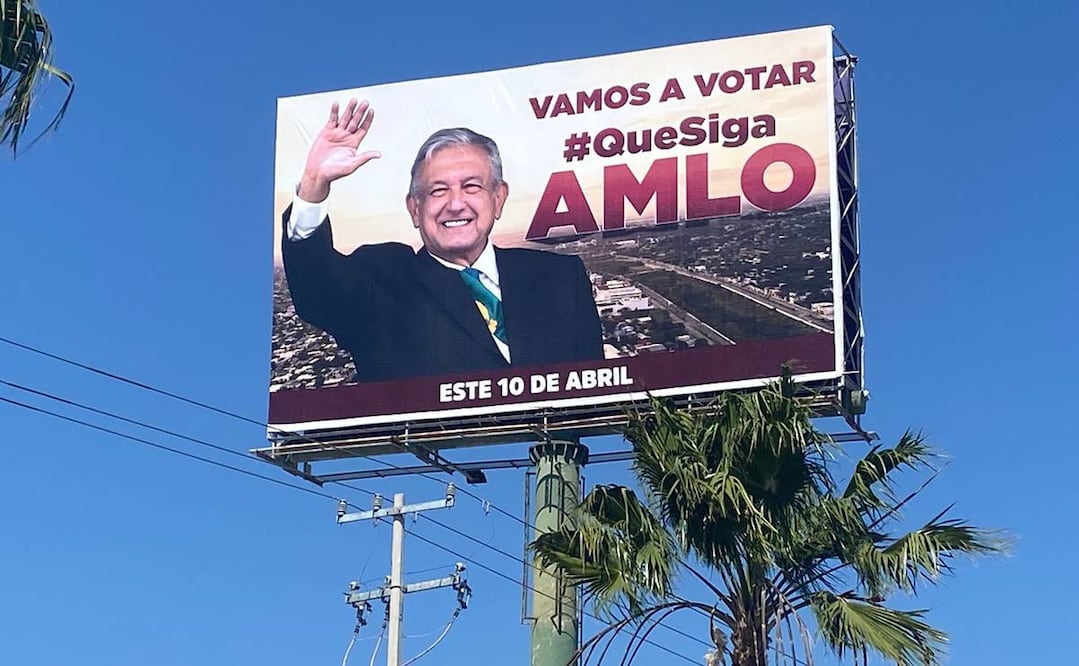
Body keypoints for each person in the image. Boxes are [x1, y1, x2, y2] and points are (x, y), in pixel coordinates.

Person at [281, 99, 603, 383]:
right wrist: (314, 184)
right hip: (420, 452)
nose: (455, 203)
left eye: (472, 186)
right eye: (438, 190)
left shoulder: (559, 276)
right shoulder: (380, 280)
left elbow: (593, 384)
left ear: (499, 198)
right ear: (415, 208)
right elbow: (318, 287)